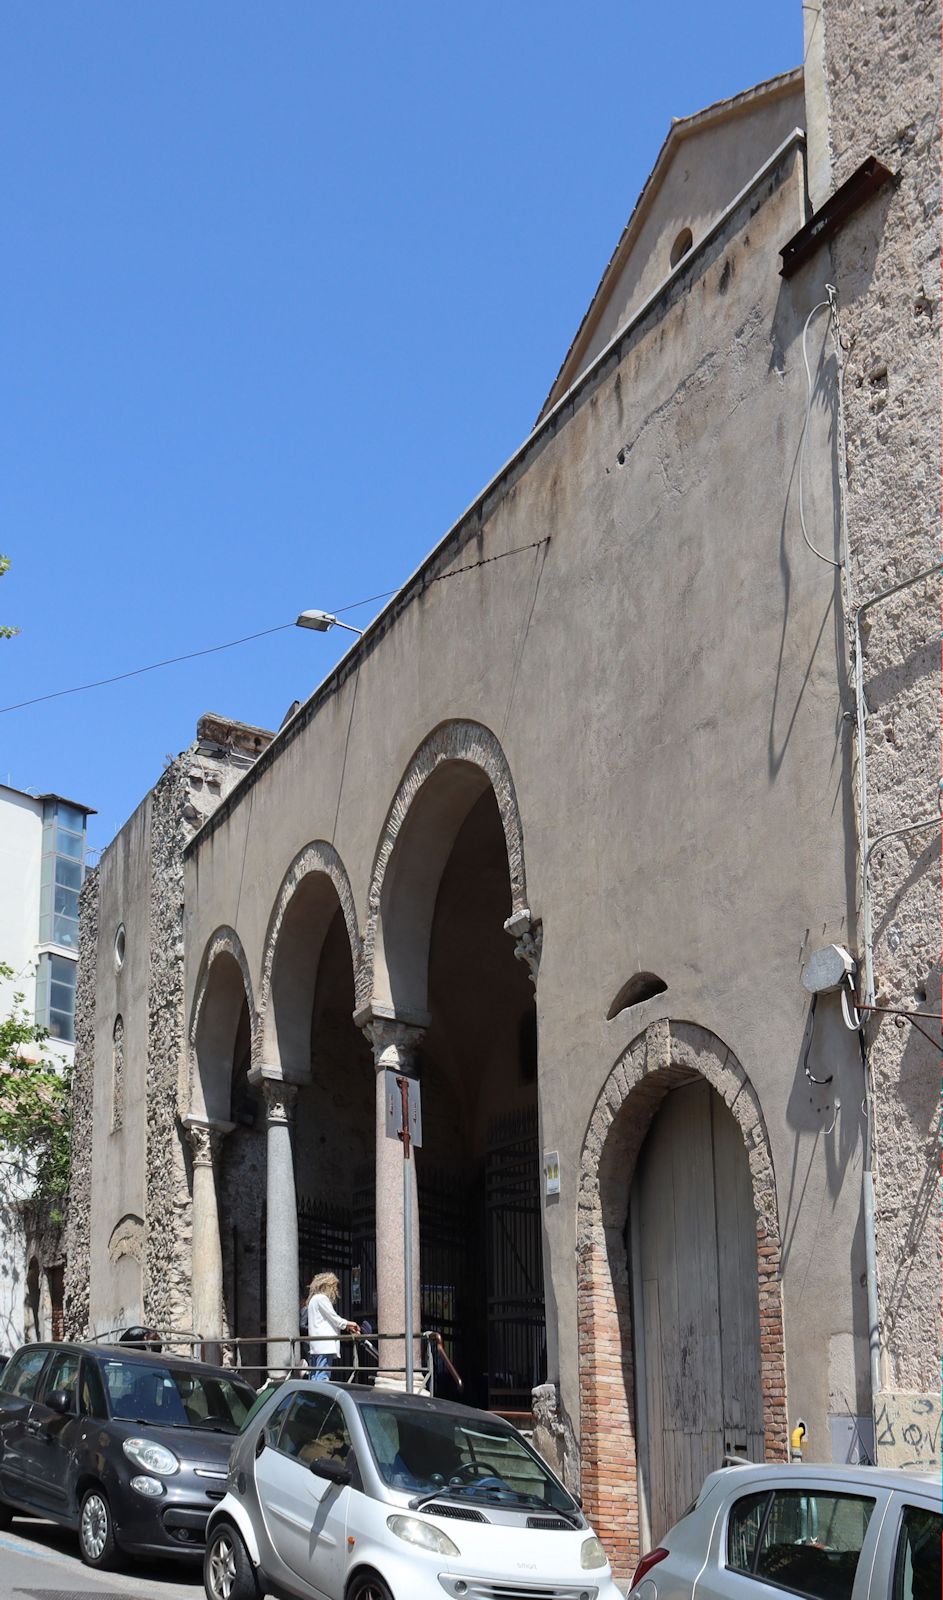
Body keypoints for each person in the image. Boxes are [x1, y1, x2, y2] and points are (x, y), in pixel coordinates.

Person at [305, 1271, 359, 1381]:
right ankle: (320, 1397)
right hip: (324, 1344)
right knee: (322, 1376)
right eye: (333, 1286)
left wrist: (346, 1326)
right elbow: (334, 1318)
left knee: (315, 1375)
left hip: (316, 1345)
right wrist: (349, 1323)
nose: (335, 1289)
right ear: (327, 1286)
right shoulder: (322, 1298)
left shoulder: (313, 1300)